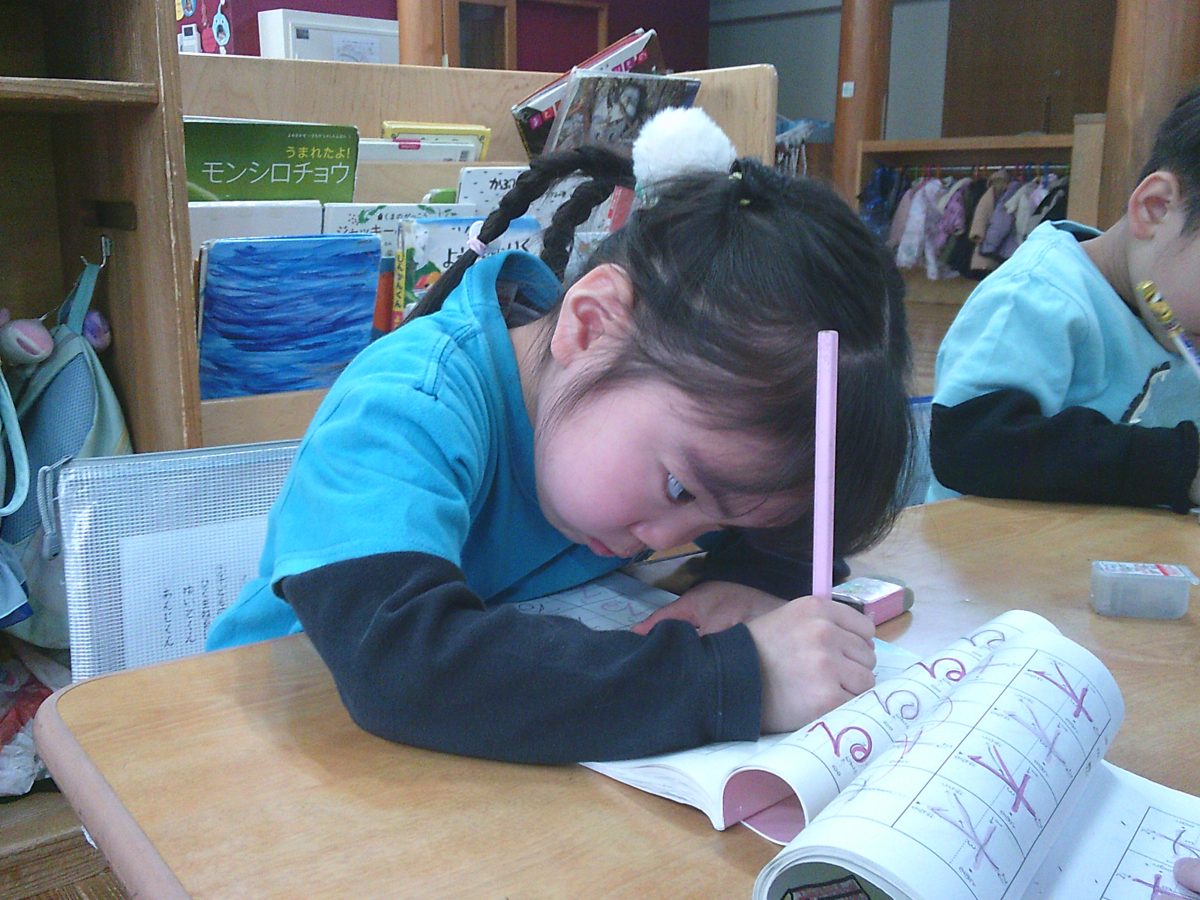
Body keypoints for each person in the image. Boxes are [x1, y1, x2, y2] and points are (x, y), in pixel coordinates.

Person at [206, 111, 914, 764]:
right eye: (679, 489)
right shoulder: (407, 409)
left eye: (718, 519)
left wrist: (751, 578)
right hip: (274, 754)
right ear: (591, 325)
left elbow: (789, 529)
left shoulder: (643, 412)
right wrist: (737, 678)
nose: (668, 539)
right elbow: (402, 664)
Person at [926, 85, 1200, 511]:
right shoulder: (1038, 295)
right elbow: (968, 445)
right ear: (1155, 208)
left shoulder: (1175, 311)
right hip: (990, 548)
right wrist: (1181, 468)